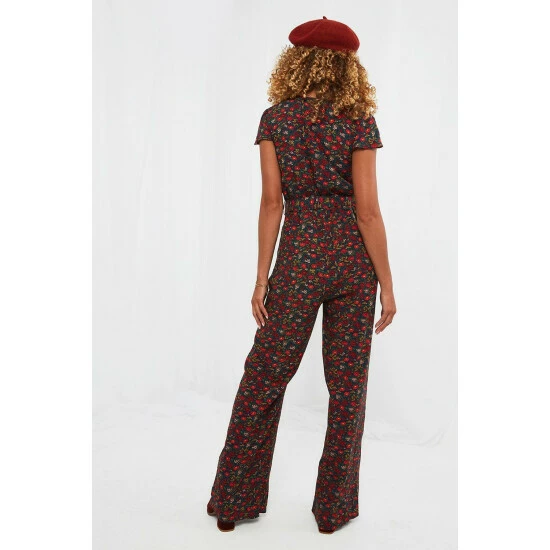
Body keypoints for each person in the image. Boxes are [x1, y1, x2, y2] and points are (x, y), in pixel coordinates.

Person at [207, 15, 397, 534]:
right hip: (353, 265)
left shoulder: (276, 120)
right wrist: (387, 283)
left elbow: (272, 203)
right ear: (347, 67)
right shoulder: (358, 121)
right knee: (348, 387)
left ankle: (234, 502)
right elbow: (368, 212)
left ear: (296, 63)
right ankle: (332, 511)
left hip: (296, 261)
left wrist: (261, 278)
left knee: (264, 375)